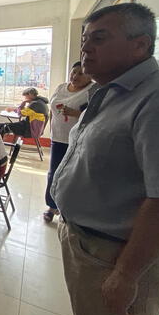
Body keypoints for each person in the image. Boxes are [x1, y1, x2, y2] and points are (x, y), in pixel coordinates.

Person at [51, 3, 159, 315]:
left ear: (140, 45)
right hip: (87, 244)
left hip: (116, 255)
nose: (86, 48)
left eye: (99, 38)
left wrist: (127, 274)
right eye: (85, 39)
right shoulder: (109, 93)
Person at [42, 61, 92, 222]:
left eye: (81, 73)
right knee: (54, 173)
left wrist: (75, 113)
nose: (75, 76)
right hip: (58, 137)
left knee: (73, 175)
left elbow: (95, 116)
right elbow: (52, 108)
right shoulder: (61, 87)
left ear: (89, 75)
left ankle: (69, 209)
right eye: (74, 72)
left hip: (78, 139)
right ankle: (51, 206)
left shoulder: (92, 91)